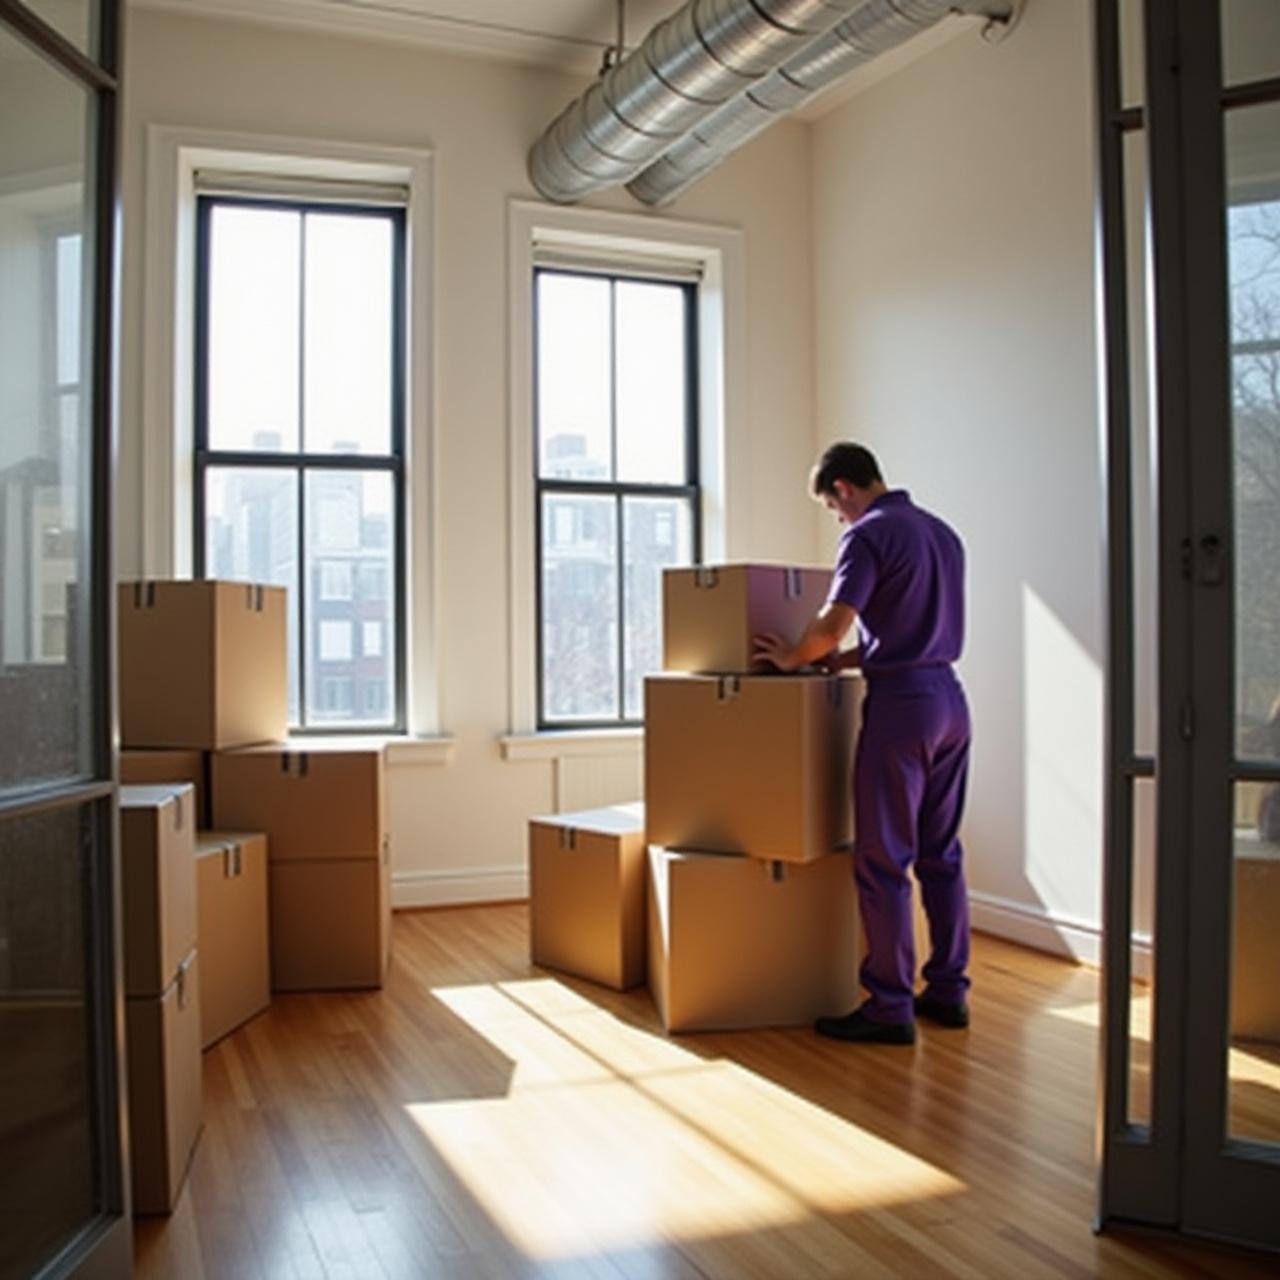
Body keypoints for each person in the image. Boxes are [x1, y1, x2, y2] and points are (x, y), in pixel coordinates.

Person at [754, 442, 971, 1046]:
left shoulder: (869, 534)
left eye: (831, 507)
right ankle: (950, 992)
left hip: (902, 709)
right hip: (950, 700)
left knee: (882, 860)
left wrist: (793, 657)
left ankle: (889, 1006)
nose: (837, 518)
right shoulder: (942, 533)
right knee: (941, 854)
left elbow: (831, 621)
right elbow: (909, 627)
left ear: (844, 488)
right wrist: (842, 664)